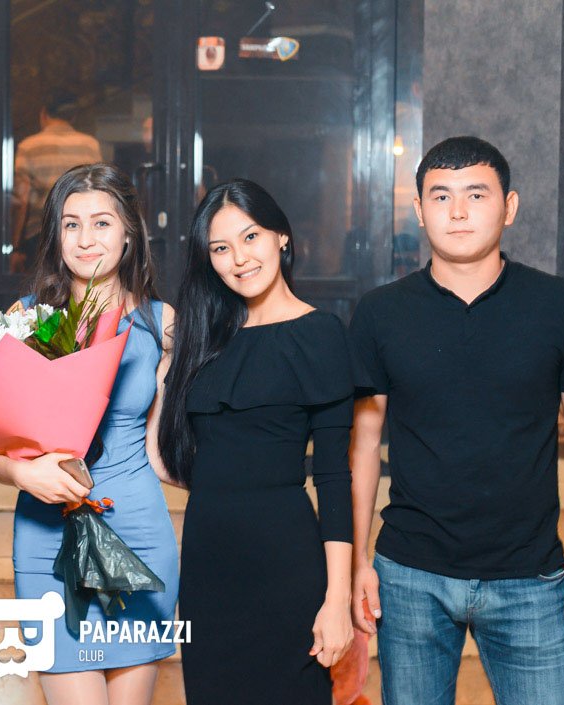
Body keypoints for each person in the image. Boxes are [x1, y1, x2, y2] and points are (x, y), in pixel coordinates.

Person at [349, 136, 564, 705]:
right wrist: (358, 560)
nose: (457, 212)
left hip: (530, 577)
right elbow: (362, 444)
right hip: (410, 575)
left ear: (509, 207)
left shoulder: (558, 305)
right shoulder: (380, 312)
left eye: (476, 194)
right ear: (419, 210)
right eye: (441, 196)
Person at [0, 163, 179, 705]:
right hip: (46, 535)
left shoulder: (162, 323)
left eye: (101, 223)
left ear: (129, 232)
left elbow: (161, 450)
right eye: (72, 224)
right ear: (56, 234)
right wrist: (24, 473)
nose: (86, 239)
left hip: (137, 531)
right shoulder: (24, 320)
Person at [158, 179, 356, 704]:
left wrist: (337, 598)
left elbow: (334, 477)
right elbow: (172, 461)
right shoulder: (203, 339)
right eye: (220, 248)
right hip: (207, 565)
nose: (239, 259)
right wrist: (163, 369)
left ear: (281, 237)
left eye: (251, 237)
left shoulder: (320, 333)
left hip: (285, 563)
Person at [10, 91, 103, 272]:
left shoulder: (28, 146)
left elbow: (22, 200)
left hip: (40, 232)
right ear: (73, 116)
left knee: (44, 285)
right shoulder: (90, 145)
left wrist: (16, 247)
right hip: (82, 232)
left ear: (43, 114)